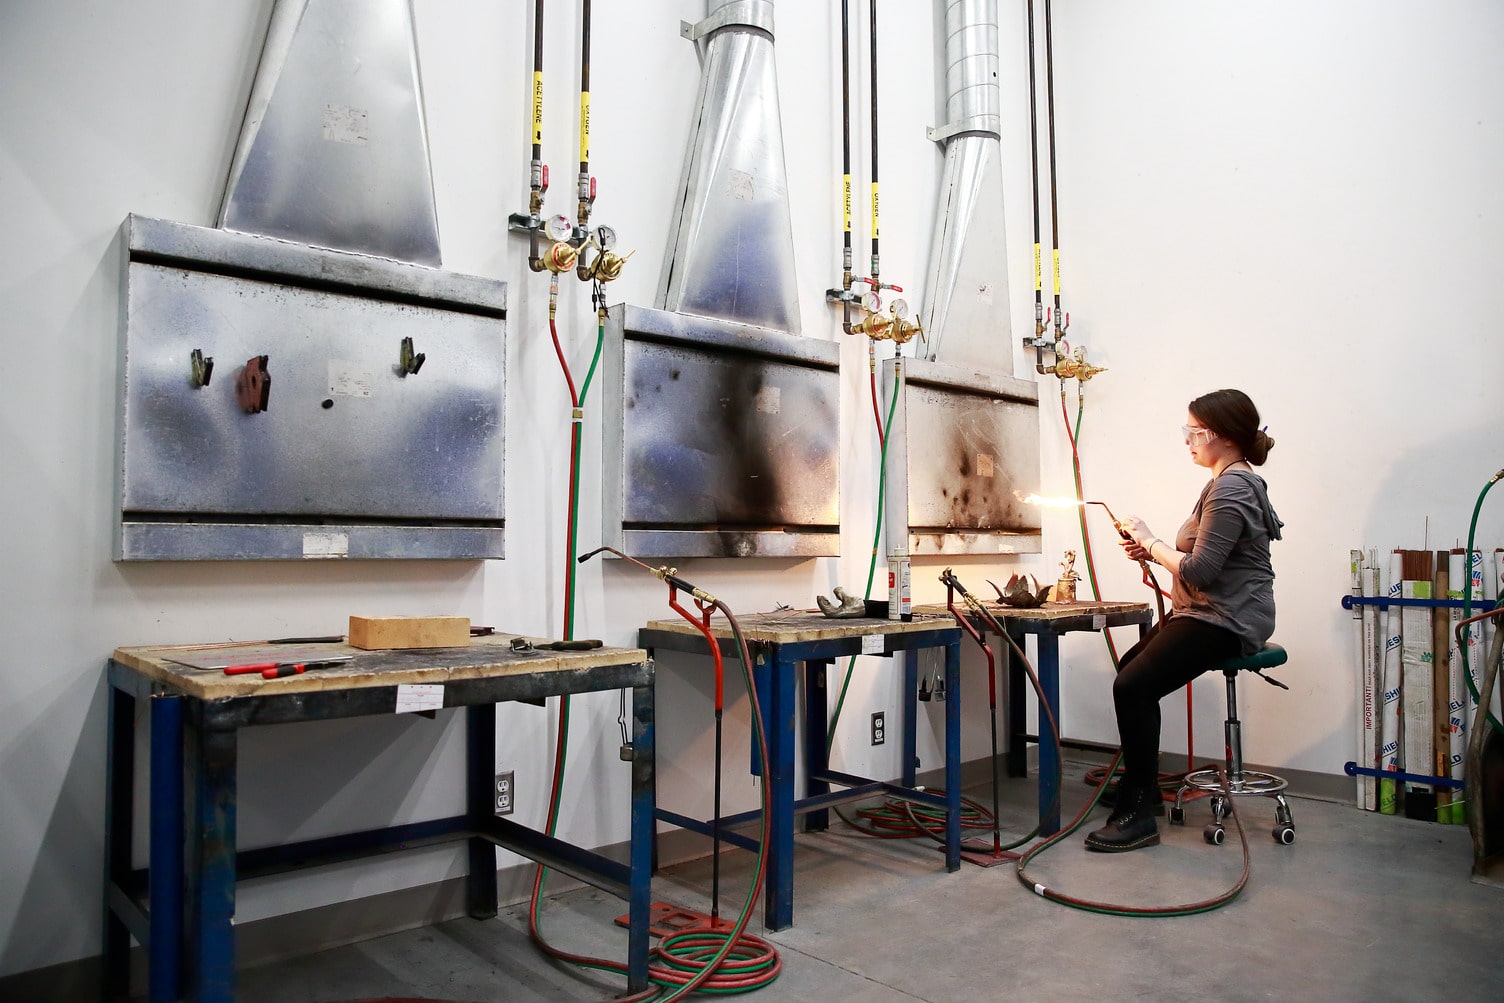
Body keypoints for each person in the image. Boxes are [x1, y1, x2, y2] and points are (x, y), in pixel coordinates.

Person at [1084, 388, 1282, 852]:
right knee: (1132, 668)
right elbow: (1202, 557)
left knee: (1133, 686)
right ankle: (1146, 786)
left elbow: (1199, 571)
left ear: (1223, 437)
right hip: (1204, 611)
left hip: (1227, 620)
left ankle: (1137, 814)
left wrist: (1151, 541)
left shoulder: (1233, 486)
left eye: (1194, 432)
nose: (1188, 440)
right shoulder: (1225, 481)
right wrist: (1151, 551)